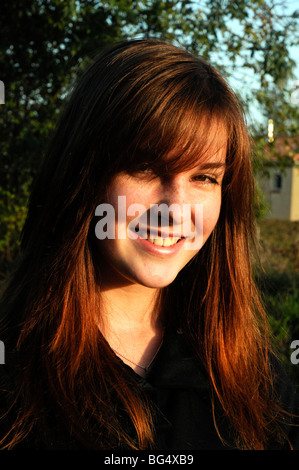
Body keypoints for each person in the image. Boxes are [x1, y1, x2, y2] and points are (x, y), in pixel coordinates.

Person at [0, 38, 298, 451]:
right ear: (83, 174)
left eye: (204, 178)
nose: (175, 210)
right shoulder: (13, 379)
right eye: (144, 167)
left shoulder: (251, 377)